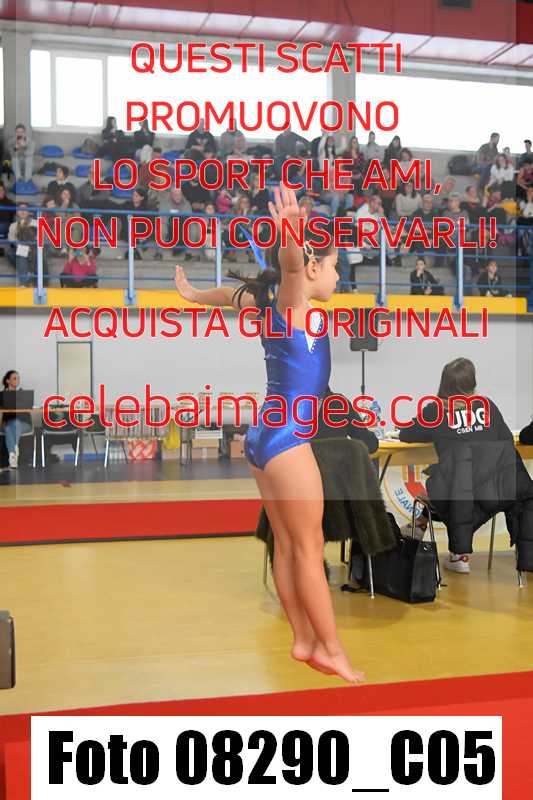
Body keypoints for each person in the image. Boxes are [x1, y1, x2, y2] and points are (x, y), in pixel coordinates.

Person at [174, 184, 364, 684]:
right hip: (288, 439)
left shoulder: (267, 303)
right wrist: (292, 235)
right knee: (309, 549)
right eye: (335, 266)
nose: (338, 275)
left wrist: (195, 296)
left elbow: (230, 294)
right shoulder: (296, 305)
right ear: (314, 268)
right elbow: (291, 267)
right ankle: (332, 650)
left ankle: (302, 638)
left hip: (264, 436)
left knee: (285, 543)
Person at [398, 358, 522, 574]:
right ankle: (431, 531)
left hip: (457, 495)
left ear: (444, 384)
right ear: (473, 382)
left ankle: (445, 542)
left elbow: (406, 434)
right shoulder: (488, 406)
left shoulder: (436, 411)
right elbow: (507, 444)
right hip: (492, 492)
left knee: (447, 483)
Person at [1, 370, 32, 469]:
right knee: (9, 427)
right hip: (8, 424)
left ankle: (13, 452)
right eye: (14, 378)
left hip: (25, 424)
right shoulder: (2, 395)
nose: (17, 380)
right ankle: (13, 454)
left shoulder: (23, 394)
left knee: (16, 423)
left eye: (18, 378)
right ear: (7, 381)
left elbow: (29, 407)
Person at [7, 202, 37, 286]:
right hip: (19, 247)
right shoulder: (13, 225)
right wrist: (20, 245)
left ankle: (23, 283)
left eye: (25, 209)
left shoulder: (36, 223)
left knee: (23, 254)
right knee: (12, 253)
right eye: (20, 209)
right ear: (17, 212)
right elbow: (11, 238)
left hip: (33, 247)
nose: (23, 211)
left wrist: (30, 245)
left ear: (29, 211)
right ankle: (28, 274)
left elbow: (40, 237)